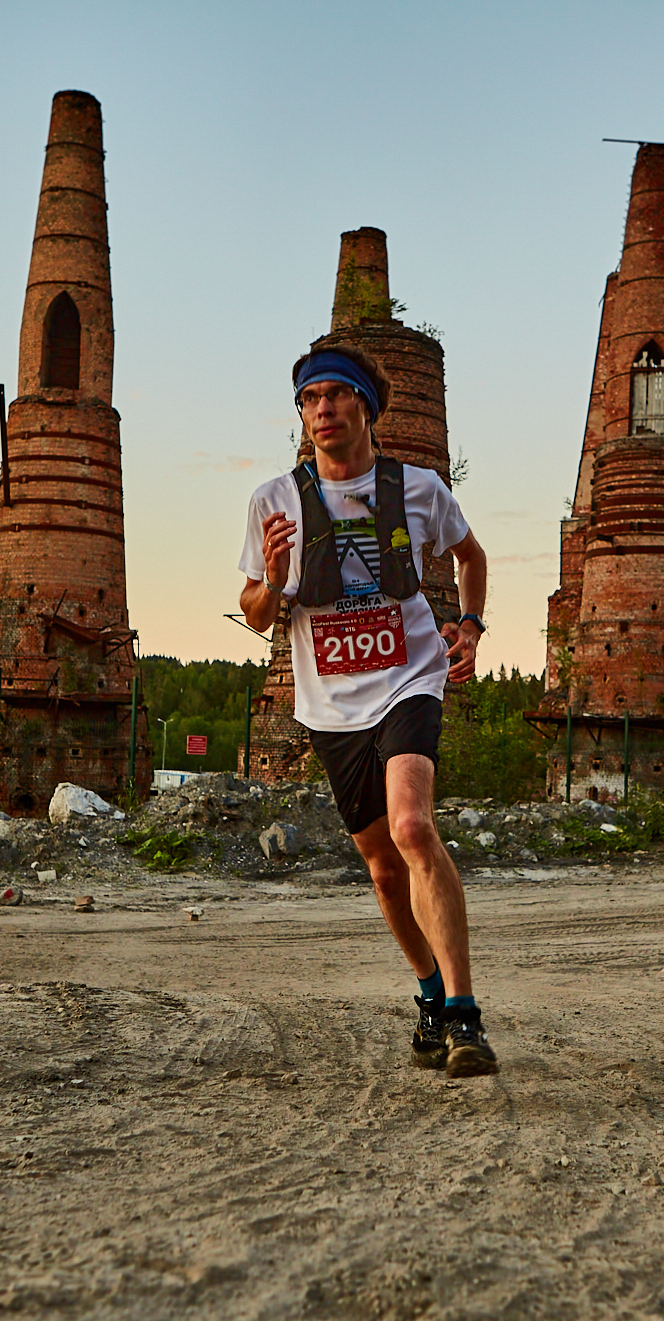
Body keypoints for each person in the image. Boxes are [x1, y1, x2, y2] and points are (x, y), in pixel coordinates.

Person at [238, 341, 497, 1078]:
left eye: (335, 395)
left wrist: (470, 625)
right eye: (309, 399)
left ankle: (464, 1014)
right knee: (383, 869)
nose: (322, 410)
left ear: (364, 406)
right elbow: (256, 611)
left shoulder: (417, 489)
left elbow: (471, 556)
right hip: (330, 705)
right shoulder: (274, 501)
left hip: (409, 676)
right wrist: (277, 577)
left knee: (414, 825)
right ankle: (428, 992)